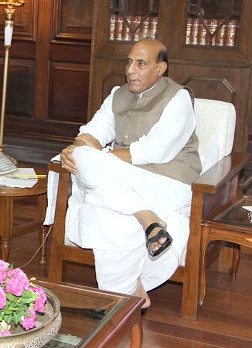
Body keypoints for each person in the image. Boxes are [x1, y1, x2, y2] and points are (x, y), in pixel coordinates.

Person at [59, 38, 201, 309]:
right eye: (128, 62)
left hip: (166, 181)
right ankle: (144, 228)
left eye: (141, 63)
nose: (130, 70)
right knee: (86, 166)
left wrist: (94, 158)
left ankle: (123, 296)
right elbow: (92, 132)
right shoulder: (118, 94)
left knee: (96, 189)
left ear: (161, 69)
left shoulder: (178, 98)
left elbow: (153, 152)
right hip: (123, 180)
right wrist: (74, 149)